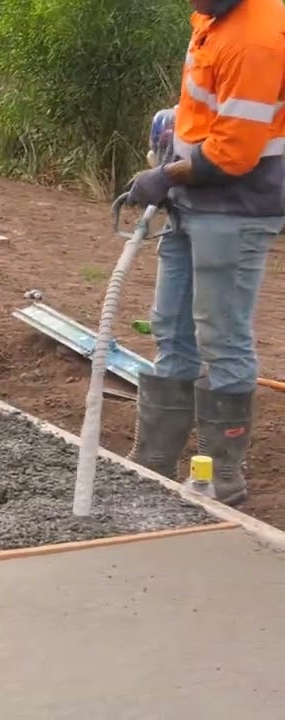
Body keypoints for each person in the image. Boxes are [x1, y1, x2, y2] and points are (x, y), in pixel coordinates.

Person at [122, 0, 285, 505]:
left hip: (237, 207)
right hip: (195, 199)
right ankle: (152, 463)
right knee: (171, 329)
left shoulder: (256, 38)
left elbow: (234, 151)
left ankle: (220, 479)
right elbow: (207, 111)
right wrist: (176, 150)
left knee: (222, 339)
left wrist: (163, 175)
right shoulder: (215, 16)